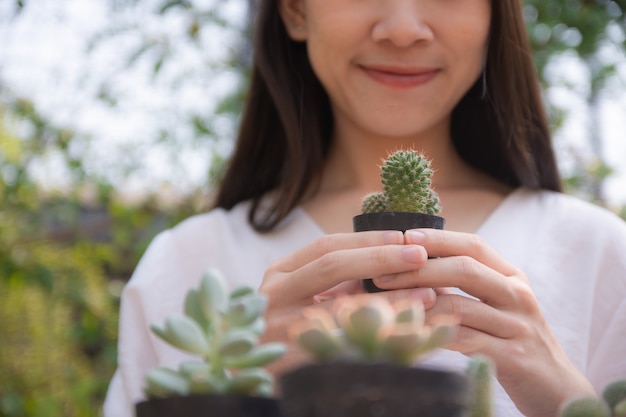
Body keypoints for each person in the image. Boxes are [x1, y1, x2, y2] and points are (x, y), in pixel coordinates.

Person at [103, 0, 626, 416]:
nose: (403, 28)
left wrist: (566, 400)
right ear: (294, 9)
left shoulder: (601, 255)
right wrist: (237, 394)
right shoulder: (183, 266)